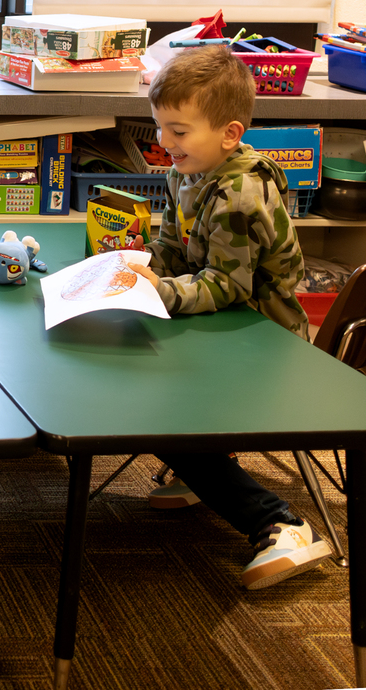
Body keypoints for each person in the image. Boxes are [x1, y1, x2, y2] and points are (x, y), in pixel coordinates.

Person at [128, 44, 331, 590]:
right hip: (222, 323)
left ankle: (280, 523)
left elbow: (228, 284)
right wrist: (134, 271)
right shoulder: (187, 171)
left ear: (229, 132)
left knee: (154, 412)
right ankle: (206, 464)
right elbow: (173, 248)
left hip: (262, 340)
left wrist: (164, 294)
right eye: (160, 129)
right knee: (132, 377)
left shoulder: (240, 194)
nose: (163, 144)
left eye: (177, 131)